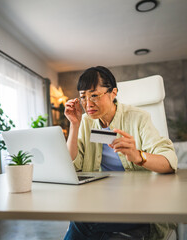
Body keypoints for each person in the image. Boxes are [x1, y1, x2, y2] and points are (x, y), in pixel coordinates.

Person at [64, 66, 178, 240]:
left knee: (92, 226)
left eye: (94, 95)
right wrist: (74, 124)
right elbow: (72, 164)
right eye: (83, 97)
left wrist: (139, 156)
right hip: (98, 204)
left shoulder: (139, 118)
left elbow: (169, 162)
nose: (88, 104)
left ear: (113, 93)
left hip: (135, 205)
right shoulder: (86, 122)